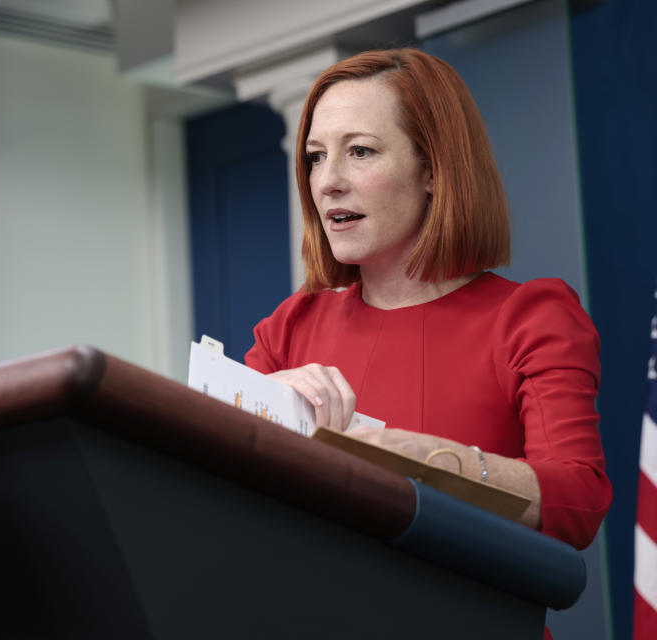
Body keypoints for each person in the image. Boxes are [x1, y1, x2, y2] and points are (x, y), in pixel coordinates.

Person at [244, 48, 611, 551]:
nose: (327, 182)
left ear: (434, 170)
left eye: (361, 151)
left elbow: (576, 500)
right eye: (316, 157)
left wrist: (418, 460)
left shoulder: (530, 319)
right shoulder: (290, 326)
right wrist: (261, 406)